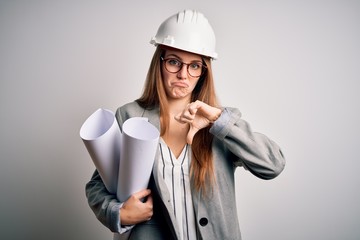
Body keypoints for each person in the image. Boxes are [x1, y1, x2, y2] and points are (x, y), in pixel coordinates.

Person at [85, 9, 286, 240]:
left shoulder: (219, 124)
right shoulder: (130, 116)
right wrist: (119, 213)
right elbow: (97, 185)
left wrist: (217, 121)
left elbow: (273, 165)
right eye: (174, 62)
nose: (183, 74)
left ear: (204, 72)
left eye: (194, 66)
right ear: (159, 63)